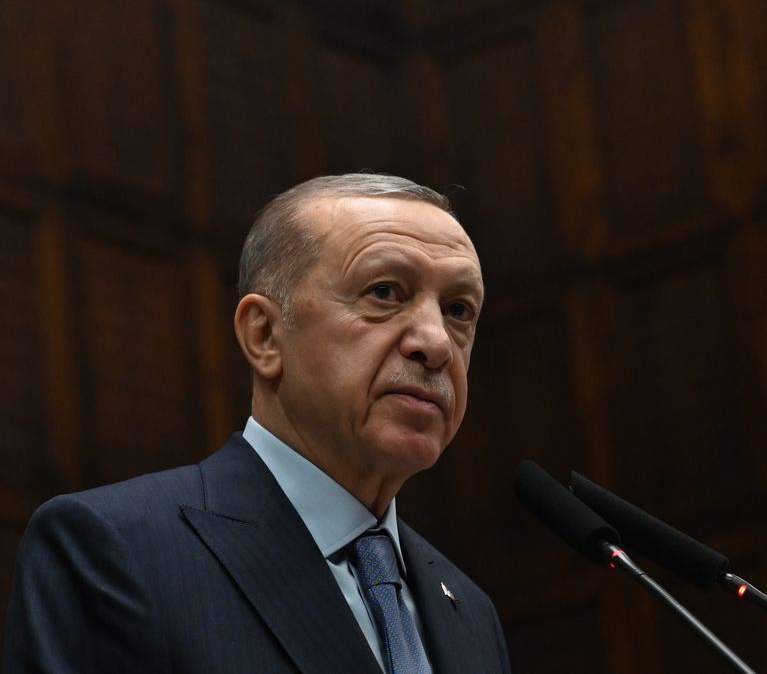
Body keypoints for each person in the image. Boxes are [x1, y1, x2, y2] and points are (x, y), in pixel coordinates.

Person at [2, 174, 510, 673]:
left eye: (458, 309)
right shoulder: (114, 548)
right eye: (384, 292)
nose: (437, 342)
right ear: (265, 335)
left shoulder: (468, 609)